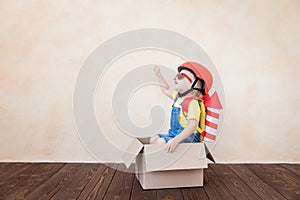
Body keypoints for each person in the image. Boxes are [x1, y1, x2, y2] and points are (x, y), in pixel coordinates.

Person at [150, 62, 212, 153]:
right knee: (153, 138)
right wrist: (158, 74)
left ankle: (167, 163)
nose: (175, 78)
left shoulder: (192, 103)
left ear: (194, 85)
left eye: (180, 76)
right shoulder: (178, 98)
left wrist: (176, 140)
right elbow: (165, 90)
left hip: (189, 138)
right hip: (174, 134)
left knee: (160, 142)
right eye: (176, 75)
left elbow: (193, 126)